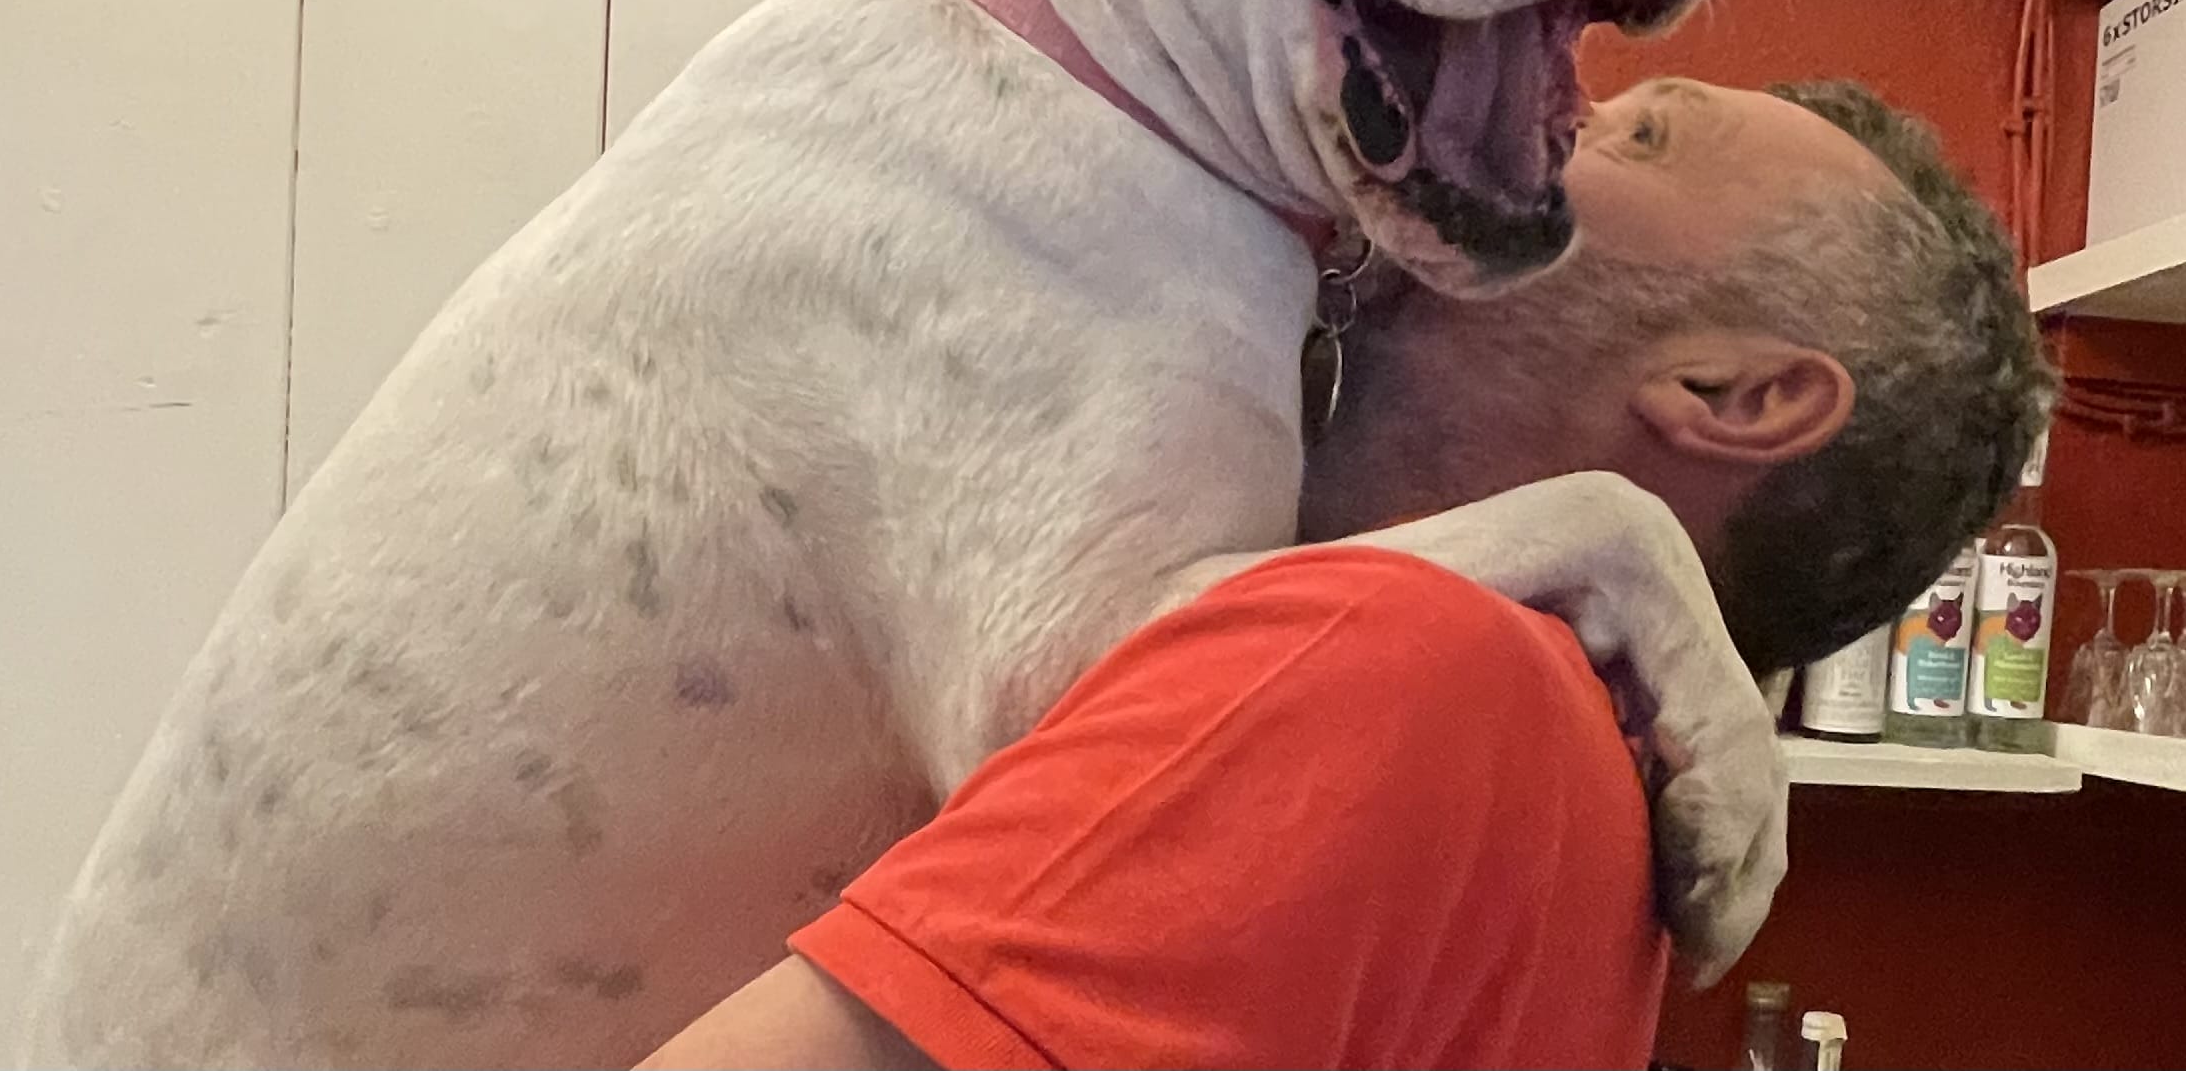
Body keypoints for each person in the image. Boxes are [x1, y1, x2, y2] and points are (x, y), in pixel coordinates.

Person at [640, 77, 2050, 1070]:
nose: (1560, 99)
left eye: (1640, 133)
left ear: (1736, 394)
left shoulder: (1388, 657)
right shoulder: (1609, 785)